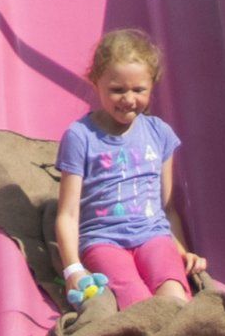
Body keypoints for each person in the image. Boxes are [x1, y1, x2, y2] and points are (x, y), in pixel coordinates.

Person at [53, 26, 206, 316]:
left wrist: (183, 251)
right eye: (117, 90)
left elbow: (167, 207)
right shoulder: (80, 136)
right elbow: (68, 213)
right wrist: (72, 267)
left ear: (152, 85)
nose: (128, 99)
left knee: (174, 296)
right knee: (137, 304)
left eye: (139, 90)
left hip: (154, 237)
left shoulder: (159, 133)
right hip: (103, 240)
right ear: (95, 81)